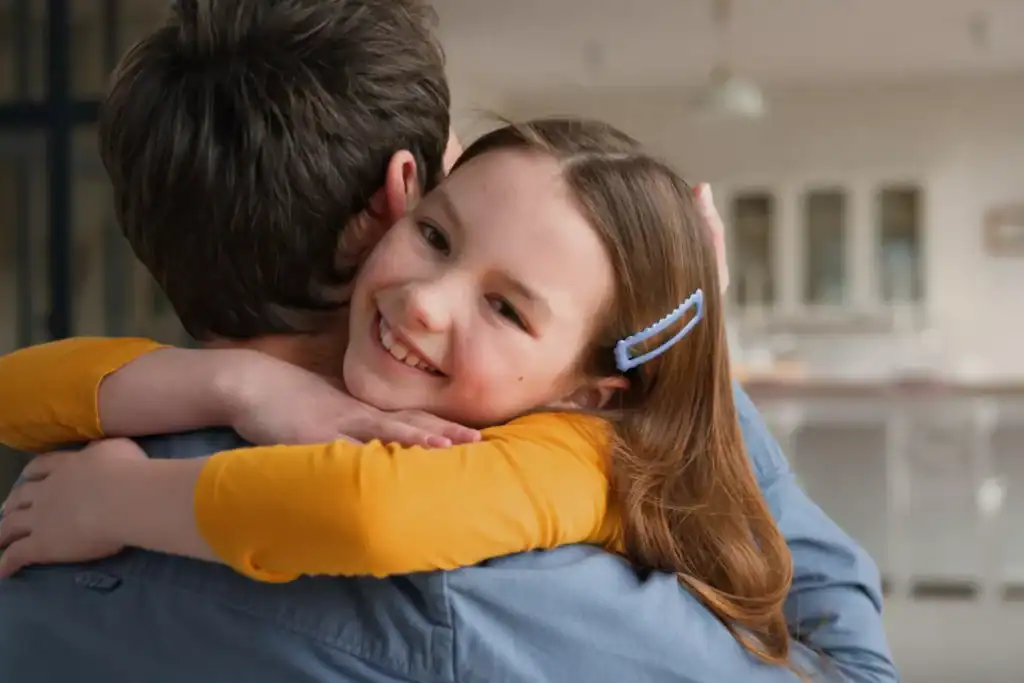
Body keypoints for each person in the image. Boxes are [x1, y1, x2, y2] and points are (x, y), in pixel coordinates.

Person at [0, 2, 897, 682]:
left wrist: (229, 392)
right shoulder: (484, 581)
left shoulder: (53, 482)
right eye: (438, 227)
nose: (430, 301)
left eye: (508, 305)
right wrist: (697, 356)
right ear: (404, 191)